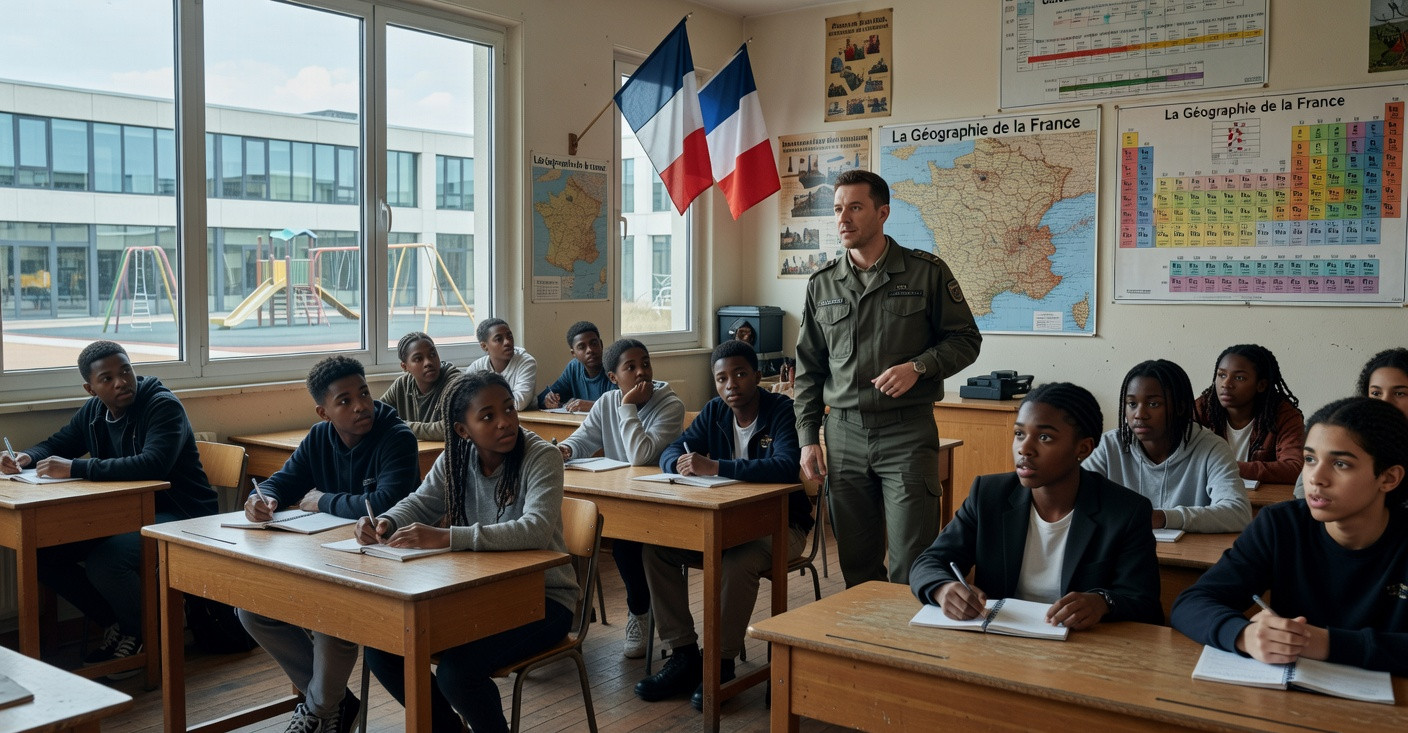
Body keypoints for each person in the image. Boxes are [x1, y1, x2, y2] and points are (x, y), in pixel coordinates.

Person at [358, 372, 577, 733]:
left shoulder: (541, 455)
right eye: (488, 416)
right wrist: (384, 521)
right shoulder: (455, 458)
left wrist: (446, 537)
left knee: (458, 673)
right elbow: (419, 502)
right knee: (383, 650)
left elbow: (535, 530)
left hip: (544, 599)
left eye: (509, 409)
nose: (505, 422)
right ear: (463, 430)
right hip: (478, 594)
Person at [793, 169, 982, 587]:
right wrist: (808, 439)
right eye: (838, 209)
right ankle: (865, 650)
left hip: (906, 433)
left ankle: (908, 648)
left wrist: (919, 367)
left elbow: (966, 340)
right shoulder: (822, 284)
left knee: (912, 562)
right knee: (857, 565)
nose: (843, 218)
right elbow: (808, 371)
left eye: (855, 208)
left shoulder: (925, 273)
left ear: (883, 213)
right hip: (842, 434)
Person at [1, 340, 217, 671]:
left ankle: (143, 633)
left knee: (107, 561)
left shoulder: (162, 406)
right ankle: (119, 623)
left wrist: (76, 468)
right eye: (107, 378)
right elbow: (60, 442)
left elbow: (153, 464)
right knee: (43, 555)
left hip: (182, 513)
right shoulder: (95, 411)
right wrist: (27, 456)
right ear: (91, 388)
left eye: (125, 371)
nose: (120, 382)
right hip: (129, 512)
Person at [238, 355, 420, 733]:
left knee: (329, 615)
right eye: (345, 401)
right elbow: (282, 482)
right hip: (328, 553)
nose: (361, 406)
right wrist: (262, 499)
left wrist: (321, 499)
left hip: (389, 560)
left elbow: (388, 503)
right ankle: (334, 703)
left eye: (365, 394)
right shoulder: (319, 437)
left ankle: (320, 709)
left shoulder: (396, 436)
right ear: (324, 412)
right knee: (250, 607)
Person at [1172, 397, 1408, 676]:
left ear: (1389, 478)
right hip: (1290, 697)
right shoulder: (1281, 525)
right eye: (1310, 459)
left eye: (1341, 464)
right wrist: (1243, 634)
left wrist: (1327, 643)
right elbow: (1191, 604)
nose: (1316, 478)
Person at [634, 340, 812, 710]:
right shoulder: (714, 411)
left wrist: (716, 467)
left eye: (740, 374)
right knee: (656, 548)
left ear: (757, 376)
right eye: (721, 378)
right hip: (725, 523)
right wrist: (678, 464)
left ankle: (721, 661)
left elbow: (785, 465)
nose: (731, 385)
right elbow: (673, 449)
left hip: (781, 527)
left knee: (738, 561)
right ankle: (684, 655)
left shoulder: (781, 409)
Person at [910, 383, 1163, 630]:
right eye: (1019, 434)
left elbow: (1145, 603)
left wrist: (1103, 603)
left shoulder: (1125, 511)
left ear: (1083, 448)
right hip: (1001, 640)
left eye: (1044, 437)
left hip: (1082, 650)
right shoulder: (989, 495)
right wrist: (943, 589)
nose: (1025, 448)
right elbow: (929, 562)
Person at [558, 338, 684, 658]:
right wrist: (566, 450)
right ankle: (564, 612)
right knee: (574, 526)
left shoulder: (670, 405)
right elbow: (584, 439)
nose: (642, 372)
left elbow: (640, 456)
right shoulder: (605, 402)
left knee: (626, 544)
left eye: (646, 364)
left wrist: (627, 406)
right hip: (623, 499)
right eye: (631, 367)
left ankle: (639, 612)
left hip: (661, 504)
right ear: (613, 377)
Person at [1084, 359, 1250, 533]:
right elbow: (1073, 502)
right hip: (1121, 554)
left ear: (1180, 407)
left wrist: (1162, 517)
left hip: (1185, 556)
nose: (1139, 414)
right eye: (1132, 404)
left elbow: (1238, 513)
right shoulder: (1109, 446)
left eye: (1153, 404)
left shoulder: (1211, 448)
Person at [1295, 347, 1408, 499]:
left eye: (1400, 393)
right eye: (1376, 393)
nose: (1385, 401)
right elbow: (1303, 493)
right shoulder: (1346, 434)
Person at [1193, 344, 1304, 484]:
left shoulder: (1283, 415)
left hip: (1261, 501)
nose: (1226, 384)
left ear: (1261, 385)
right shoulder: (1202, 409)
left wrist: (1226, 467)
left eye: (1239, 378)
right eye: (1221, 375)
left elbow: (1294, 468)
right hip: (1207, 496)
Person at [380, 331, 462, 440]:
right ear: (405, 367)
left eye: (432, 354)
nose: (428, 362)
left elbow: (450, 428)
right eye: (418, 359)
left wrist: (399, 425)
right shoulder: (402, 385)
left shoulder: (455, 383)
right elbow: (377, 414)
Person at [536, 320, 615, 412]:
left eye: (594, 344)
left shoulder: (614, 365)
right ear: (573, 353)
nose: (590, 350)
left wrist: (592, 406)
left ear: (601, 344)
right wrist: (547, 400)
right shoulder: (574, 368)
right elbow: (547, 395)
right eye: (582, 347)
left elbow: (624, 403)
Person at [467, 318, 537, 412]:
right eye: (499, 339)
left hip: (525, 420)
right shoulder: (476, 367)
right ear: (484, 346)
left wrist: (483, 405)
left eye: (509, 336)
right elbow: (466, 402)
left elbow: (519, 403)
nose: (507, 342)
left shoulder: (526, 362)